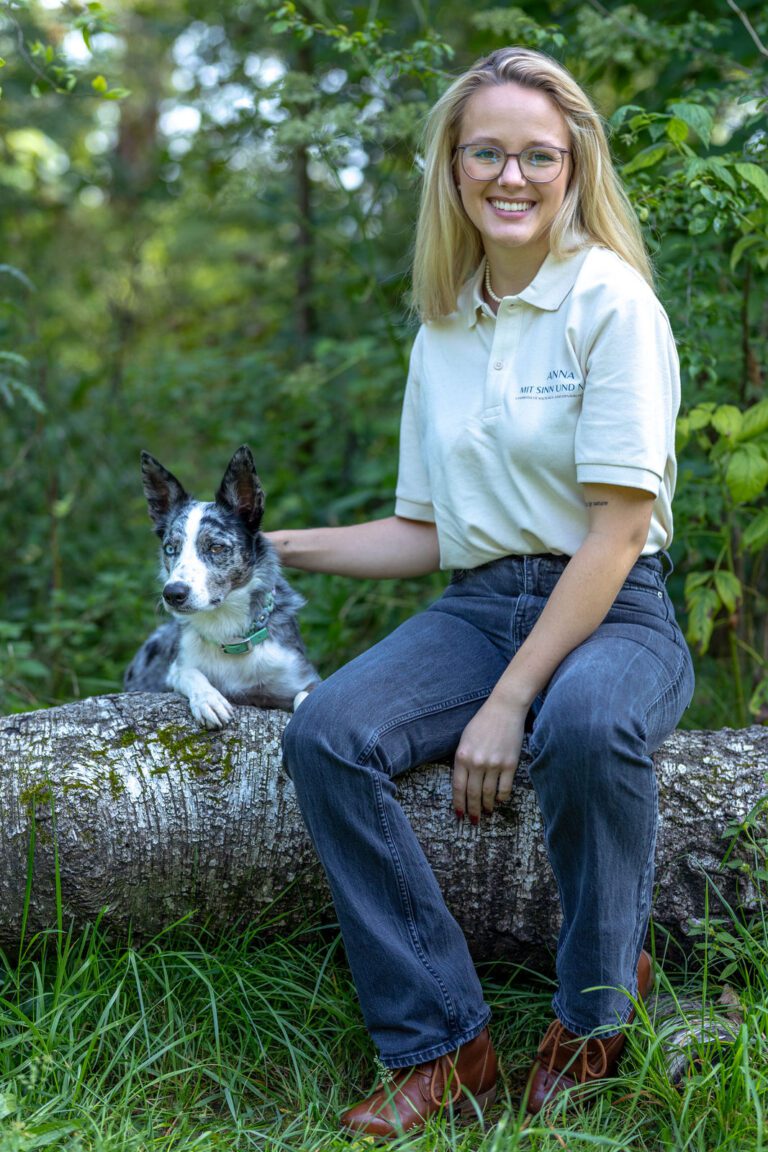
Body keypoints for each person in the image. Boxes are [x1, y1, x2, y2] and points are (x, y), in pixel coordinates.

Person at [266, 45, 695, 1137]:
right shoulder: (444, 324)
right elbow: (424, 534)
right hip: (476, 603)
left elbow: (619, 530)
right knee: (328, 732)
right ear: (452, 169)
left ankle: (594, 1019)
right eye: (488, 153)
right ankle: (445, 1045)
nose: (512, 177)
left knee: (585, 723)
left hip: (617, 603)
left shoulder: (611, 301)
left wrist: (510, 702)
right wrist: (265, 547)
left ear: (574, 165)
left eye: (538, 155)